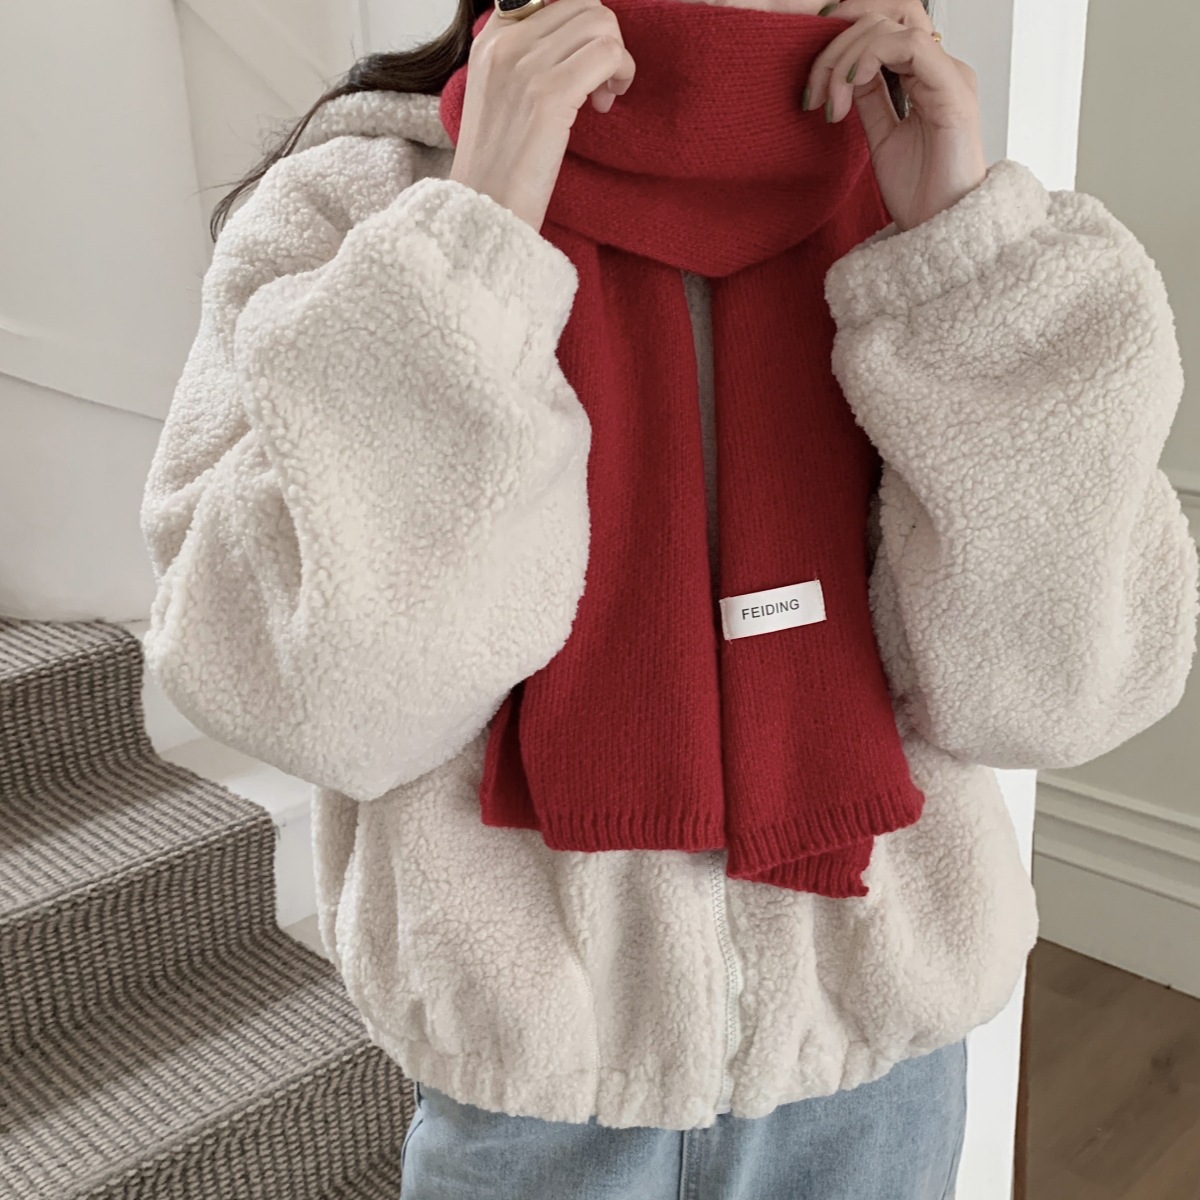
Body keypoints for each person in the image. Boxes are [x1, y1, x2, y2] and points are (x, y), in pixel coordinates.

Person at [138, 0, 1199, 1195]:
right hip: (536, 1109)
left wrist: (970, 262)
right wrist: (472, 242)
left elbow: (1060, 694)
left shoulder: (924, 220)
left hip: (880, 1086)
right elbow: (316, 698)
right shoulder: (361, 202)